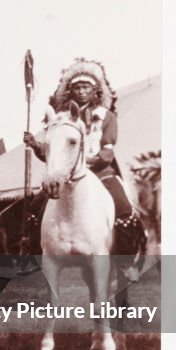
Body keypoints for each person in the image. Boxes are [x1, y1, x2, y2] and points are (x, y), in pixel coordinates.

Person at [23, 58, 146, 278]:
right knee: (35, 206)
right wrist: (35, 145)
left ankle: (126, 262)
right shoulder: (61, 119)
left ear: (95, 90)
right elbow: (53, 153)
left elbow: (107, 153)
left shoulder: (107, 117)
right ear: (71, 91)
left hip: (101, 172)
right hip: (66, 175)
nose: (81, 91)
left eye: (86, 87)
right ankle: (33, 256)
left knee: (124, 208)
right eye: (77, 87)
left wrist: (83, 161)